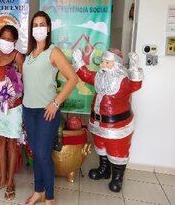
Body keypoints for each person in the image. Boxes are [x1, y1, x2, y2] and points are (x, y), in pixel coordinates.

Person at [22, 11, 78, 205]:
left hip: (46, 112)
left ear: (48, 28)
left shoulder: (53, 51)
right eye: (35, 25)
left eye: (41, 24)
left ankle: (50, 197)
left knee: (43, 154)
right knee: (36, 153)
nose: (38, 28)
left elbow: (73, 79)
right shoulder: (29, 54)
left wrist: (56, 102)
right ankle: (39, 191)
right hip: (28, 111)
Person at [73, 48, 143, 192]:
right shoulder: (100, 77)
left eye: (107, 62)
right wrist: (79, 61)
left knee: (117, 151)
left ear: (116, 65)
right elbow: (86, 75)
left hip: (117, 126)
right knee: (101, 147)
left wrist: (135, 67)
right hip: (98, 123)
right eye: (103, 62)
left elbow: (135, 85)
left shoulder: (123, 81)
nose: (103, 65)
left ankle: (117, 177)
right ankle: (104, 169)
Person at [0, 25, 24, 201]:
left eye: (11, 39)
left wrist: (13, 97)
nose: (7, 41)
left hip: (14, 107)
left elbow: (24, 81)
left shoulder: (18, 57)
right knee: (0, 142)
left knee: (12, 144)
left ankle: (10, 182)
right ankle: (2, 178)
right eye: (4, 38)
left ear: (15, 41)